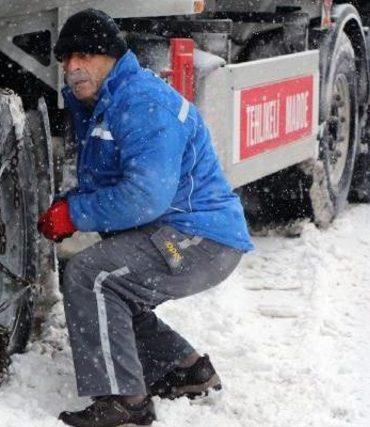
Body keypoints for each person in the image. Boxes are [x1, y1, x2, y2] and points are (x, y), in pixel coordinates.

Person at [37, 8, 254, 427]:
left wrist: (75, 214)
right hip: (182, 232)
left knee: (91, 276)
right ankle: (185, 370)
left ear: (112, 57)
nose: (73, 67)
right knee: (115, 285)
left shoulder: (142, 102)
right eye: (66, 59)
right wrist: (68, 205)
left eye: (84, 56)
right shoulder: (105, 102)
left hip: (201, 237)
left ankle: (125, 403)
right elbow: (108, 176)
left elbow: (144, 196)